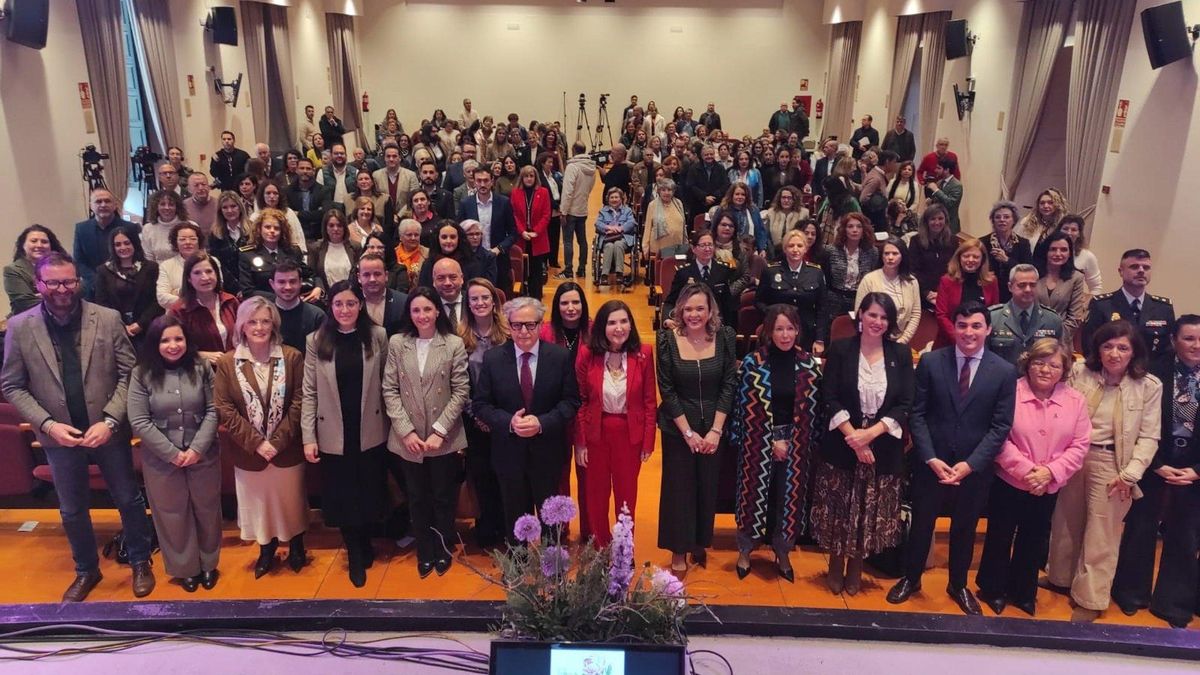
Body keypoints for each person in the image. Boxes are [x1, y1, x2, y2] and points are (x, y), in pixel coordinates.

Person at [1, 252, 154, 601]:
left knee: (128, 499)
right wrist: (47, 425)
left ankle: (141, 560)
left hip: (106, 430)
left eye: (69, 281)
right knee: (71, 509)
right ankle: (86, 570)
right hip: (59, 435)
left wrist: (112, 420)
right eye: (53, 282)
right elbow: (12, 385)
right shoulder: (20, 327)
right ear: (39, 285)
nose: (62, 289)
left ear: (78, 281)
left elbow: (130, 373)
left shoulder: (108, 318)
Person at [886, 300, 1017, 615]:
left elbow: (1001, 426)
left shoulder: (1004, 371)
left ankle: (958, 584)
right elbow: (917, 414)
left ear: (988, 329)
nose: (968, 332)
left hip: (974, 468)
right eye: (962, 325)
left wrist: (971, 464)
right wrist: (929, 457)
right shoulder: (931, 362)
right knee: (922, 523)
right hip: (932, 462)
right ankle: (911, 578)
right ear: (954, 328)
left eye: (975, 326)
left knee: (965, 528)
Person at [1046, 320, 1163, 623]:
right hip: (1074, 458)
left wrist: (1131, 474)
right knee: (1065, 523)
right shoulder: (1079, 373)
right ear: (1098, 348)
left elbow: (1149, 436)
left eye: (1122, 347)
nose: (1114, 353)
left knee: (1102, 534)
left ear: (1134, 351)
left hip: (1114, 465)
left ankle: (1091, 597)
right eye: (1107, 346)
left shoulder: (1148, 386)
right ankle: (1060, 578)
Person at [975, 338, 1089, 616]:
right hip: (1011, 480)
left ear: (1064, 370)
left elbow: (1080, 444)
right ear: (1028, 364)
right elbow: (998, 437)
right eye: (1039, 362)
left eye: (1054, 365)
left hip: (1049, 484)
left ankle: (1023, 592)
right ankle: (992, 588)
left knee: (1034, 538)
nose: (1045, 370)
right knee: (1000, 535)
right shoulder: (1009, 392)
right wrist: (1028, 473)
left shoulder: (1075, 400)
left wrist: (1050, 473)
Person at [812, 293, 914, 595]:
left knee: (867, 511)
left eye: (884, 317)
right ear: (860, 316)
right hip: (843, 442)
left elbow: (905, 402)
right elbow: (828, 397)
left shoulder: (901, 354)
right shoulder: (842, 349)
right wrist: (854, 437)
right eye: (872, 315)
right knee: (839, 507)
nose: (878, 322)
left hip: (881, 446)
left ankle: (856, 565)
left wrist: (869, 435)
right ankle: (835, 563)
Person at [1110, 316, 1200, 627]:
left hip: (1194, 471)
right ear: (1174, 339)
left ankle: (1174, 603)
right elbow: (1139, 424)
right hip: (1153, 464)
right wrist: (1158, 463)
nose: (1196, 345)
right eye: (1189, 338)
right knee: (1140, 529)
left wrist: (1196, 470)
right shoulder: (1151, 373)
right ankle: (1131, 594)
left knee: (1186, 536)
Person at [301, 281, 388, 587]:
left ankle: (365, 542)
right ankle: (353, 551)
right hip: (333, 431)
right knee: (343, 495)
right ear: (331, 307)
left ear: (360, 305)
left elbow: (387, 384)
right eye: (339, 304)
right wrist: (308, 436)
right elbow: (309, 391)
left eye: (351, 303)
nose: (345, 310)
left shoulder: (377, 336)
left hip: (370, 428)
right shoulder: (317, 339)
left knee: (367, 492)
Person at [213, 296, 308, 578]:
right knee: (259, 505)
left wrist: (276, 442)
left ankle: (297, 546)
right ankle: (266, 550)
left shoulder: (291, 357)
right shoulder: (229, 362)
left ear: (274, 324)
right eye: (252, 321)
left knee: (290, 502)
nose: (259, 327)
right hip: (248, 452)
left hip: (286, 449)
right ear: (241, 325)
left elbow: (300, 402)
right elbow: (224, 408)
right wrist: (257, 443)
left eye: (265, 321)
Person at [472, 297, 581, 539]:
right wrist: (509, 422)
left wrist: (542, 423)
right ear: (508, 326)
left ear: (541, 325)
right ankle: (518, 568)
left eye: (530, 325)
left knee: (550, 521)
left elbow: (571, 402)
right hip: (508, 455)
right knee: (515, 519)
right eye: (516, 325)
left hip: (548, 455)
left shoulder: (560, 357)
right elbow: (481, 405)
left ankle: (552, 567)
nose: (523, 331)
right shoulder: (493, 359)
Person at [128, 315, 222, 593]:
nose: (173, 345)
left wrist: (195, 449)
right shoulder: (141, 373)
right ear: (155, 344)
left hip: (202, 453)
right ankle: (185, 569)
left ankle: (208, 565)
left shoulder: (202, 366)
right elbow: (139, 420)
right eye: (165, 340)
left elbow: (214, 410)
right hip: (161, 459)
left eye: (178, 339)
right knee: (172, 513)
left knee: (206, 510)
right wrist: (171, 453)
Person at [383, 287, 470, 577]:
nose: (422, 315)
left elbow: (461, 392)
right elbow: (390, 390)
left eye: (427, 309)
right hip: (409, 440)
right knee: (417, 497)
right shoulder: (397, 343)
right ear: (410, 313)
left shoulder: (453, 343)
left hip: (442, 439)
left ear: (437, 311)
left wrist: (440, 431)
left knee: (443, 496)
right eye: (416, 310)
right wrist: (406, 432)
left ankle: (442, 547)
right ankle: (424, 549)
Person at [731, 304, 821, 583]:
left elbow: (814, 412)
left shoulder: (808, 365)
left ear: (798, 331)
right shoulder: (752, 363)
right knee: (751, 498)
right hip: (758, 442)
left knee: (789, 500)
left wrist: (790, 442)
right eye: (779, 328)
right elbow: (743, 408)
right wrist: (771, 441)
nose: (785, 335)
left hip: (796, 443)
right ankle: (745, 550)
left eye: (790, 328)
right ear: (769, 331)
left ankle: (783, 552)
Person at [656, 283, 738, 575]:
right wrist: (688, 433)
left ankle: (699, 543)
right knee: (679, 491)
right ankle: (679, 550)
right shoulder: (666, 339)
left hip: (714, 426)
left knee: (707, 488)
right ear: (679, 310)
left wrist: (715, 430)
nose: (694, 315)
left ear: (710, 310)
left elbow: (729, 384)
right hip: (678, 428)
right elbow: (667, 389)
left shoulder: (725, 337)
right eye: (688, 309)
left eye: (700, 308)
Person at [574, 300, 656, 548]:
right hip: (596, 433)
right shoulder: (588, 354)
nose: (619, 328)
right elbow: (580, 400)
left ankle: (623, 548)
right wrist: (580, 442)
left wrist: (648, 442)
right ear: (602, 327)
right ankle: (600, 546)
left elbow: (650, 401)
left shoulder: (644, 353)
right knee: (596, 496)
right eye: (612, 322)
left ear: (631, 324)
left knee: (626, 497)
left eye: (623, 321)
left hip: (629, 435)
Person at [460, 278, 511, 548]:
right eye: (474, 299)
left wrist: (498, 417)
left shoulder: (509, 335)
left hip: (504, 419)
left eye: (484, 298)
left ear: (494, 302)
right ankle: (486, 524)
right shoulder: (460, 338)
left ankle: (507, 527)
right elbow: (458, 383)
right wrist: (478, 415)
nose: (480, 303)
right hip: (474, 420)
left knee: (505, 474)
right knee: (481, 475)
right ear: (468, 305)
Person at [1081, 249, 1175, 360]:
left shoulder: (1163, 308)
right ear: (1120, 271)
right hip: (1111, 371)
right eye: (1134, 267)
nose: (1141, 271)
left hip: (1150, 373)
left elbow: (1167, 351)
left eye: (1146, 267)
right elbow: (1089, 346)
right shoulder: (1102, 305)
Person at [94, 226, 163, 351]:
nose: (123, 248)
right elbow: (101, 303)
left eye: (127, 243)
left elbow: (156, 301)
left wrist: (140, 324)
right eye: (118, 244)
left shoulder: (151, 268)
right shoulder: (103, 271)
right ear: (113, 247)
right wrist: (120, 326)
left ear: (135, 243)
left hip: (147, 328)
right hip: (115, 330)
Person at [756, 229, 826, 352]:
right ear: (785, 249)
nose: (795, 249)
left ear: (806, 249)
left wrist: (819, 339)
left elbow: (822, 308)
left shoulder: (816, 272)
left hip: (806, 333)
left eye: (799, 245)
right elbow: (759, 301)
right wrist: (773, 313)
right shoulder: (771, 271)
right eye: (791, 245)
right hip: (777, 332)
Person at [818, 213, 880, 345]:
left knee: (855, 336)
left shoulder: (872, 252)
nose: (855, 230)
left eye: (858, 226)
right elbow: (825, 279)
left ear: (864, 230)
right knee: (833, 336)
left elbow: (873, 277)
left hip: (859, 299)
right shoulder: (830, 251)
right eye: (850, 226)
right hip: (834, 299)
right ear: (844, 230)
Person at [168, 253, 238, 364]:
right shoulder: (179, 310)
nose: (205, 277)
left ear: (217, 274)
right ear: (189, 279)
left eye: (209, 271)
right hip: (198, 371)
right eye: (197, 273)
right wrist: (199, 355)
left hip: (233, 368)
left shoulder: (230, 301)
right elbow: (170, 347)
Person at [987, 264, 1064, 364]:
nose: (1028, 289)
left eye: (1032, 285)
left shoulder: (1052, 320)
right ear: (1010, 287)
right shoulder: (993, 317)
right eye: (1022, 285)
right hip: (1001, 378)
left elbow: (1061, 357)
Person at [662, 229, 737, 330]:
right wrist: (667, 319)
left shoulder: (723, 270)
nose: (707, 249)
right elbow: (670, 302)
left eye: (710, 245)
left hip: (715, 326)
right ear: (693, 248)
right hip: (690, 324)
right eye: (703, 245)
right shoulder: (683, 272)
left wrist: (729, 330)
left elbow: (727, 305)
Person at [458, 167, 515, 296]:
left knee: (500, 297)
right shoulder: (465, 203)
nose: (482, 184)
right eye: (479, 181)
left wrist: (498, 249)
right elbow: (460, 232)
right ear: (474, 182)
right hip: (472, 260)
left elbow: (513, 233)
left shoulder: (504, 202)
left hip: (499, 258)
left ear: (492, 181)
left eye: (486, 180)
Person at [238, 208, 318, 300]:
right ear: (259, 229)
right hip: (265, 305)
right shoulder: (248, 255)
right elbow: (247, 291)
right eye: (267, 227)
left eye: (276, 228)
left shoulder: (292, 251)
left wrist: (319, 287)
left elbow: (311, 275)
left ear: (282, 231)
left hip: (293, 303)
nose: (272, 231)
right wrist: (280, 298)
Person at [854, 237, 922, 345]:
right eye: (886, 253)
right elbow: (860, 313)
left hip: (900, 341)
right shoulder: (869, 279)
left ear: (902, 256)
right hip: (872, 340)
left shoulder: (912, 282)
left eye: (895, 254)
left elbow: (915, 314)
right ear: (881, 256)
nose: (890, 257)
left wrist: (902, 341)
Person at [934, 238, 1000, 348]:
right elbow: (941, 315)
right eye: (966, 256)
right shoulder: (947, 281)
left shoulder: (991, 281)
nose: (970, 260)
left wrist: (978, 339)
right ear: (959, 258)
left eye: (976, 257)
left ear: (982, 259)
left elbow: (994, 313)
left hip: (981, 343)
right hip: (950, 342)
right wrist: (959, 338)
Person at [74, 188, 137, 297]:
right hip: (93, 288)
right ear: (91, 206)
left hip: (124, 286)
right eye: (98, 201)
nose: (103, 205)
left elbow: (136, 256)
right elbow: (79, 261)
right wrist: (97, 281)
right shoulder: (81, 229)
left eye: (107, 201)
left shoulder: (130, 228)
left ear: (115, 205)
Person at [1036, 231, 1091, 350]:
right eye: (1053, 249)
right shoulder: (1033, 273)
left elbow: (1074, 318)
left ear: (1070, 253)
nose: (1058, 254)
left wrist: (1052, 336)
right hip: (1031, 339)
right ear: (1046, 251)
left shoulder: (1076, 277)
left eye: (1064, 250)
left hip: (1061, 342)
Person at [6, 225, 68, 317]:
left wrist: (43, 295)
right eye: (33, 241)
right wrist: (61, 296)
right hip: (29, 321)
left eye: (44, 242)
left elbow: (82, 288)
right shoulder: (13, 270)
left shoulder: (64, 264)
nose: (39, 245)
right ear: (23, 245)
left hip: (63, 318)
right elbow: (25, 303)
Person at [267, 259, 325, 353]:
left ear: (300, 282)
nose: (288, 287)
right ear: (272, 284)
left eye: (292, 281)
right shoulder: (265, 316)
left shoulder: (317, 316)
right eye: (281, 282)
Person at [512, 166, 551, 300]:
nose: (529, 179)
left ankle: (536, 298)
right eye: (526, 176)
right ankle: (522, 297)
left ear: (535, 178)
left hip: (537, 237)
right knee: (521, 270)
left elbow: (546, 215)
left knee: (536, 271)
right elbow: (514, 215)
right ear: (521, 178)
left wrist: (536, 231)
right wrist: (522, 231)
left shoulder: (544, 192)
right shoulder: (515, 192)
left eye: (531, 176)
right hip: (521, 237)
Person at [908, 204, 957, 309]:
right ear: (926, 222)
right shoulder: (916, 241)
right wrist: (926, 292)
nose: (937, 222)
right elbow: (912, 270)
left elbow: (955, 269)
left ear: (946, 220)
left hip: (947, 293)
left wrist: (942, 291)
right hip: (922, 294)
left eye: (940, 218)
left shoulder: (953, 241)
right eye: (933, 219)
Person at [984, 200, 1032, 304]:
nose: (1002, 220)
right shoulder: (983, 242)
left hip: (1014, 293)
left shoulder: (1023, 244)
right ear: (993, 221)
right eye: (998, 217)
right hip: (988, 292)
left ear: (1014, 220)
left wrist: (1007, 260)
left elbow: (1027, 270)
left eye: (1006, 217)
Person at [155, 222, 208, 310]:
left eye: (193, 239)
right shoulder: (166, 265)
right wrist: (195, 299)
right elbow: (162, 298)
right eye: (182, 239)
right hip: (177, 316)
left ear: (199, 241)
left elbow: (215, 292)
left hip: (207, 312)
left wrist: (178, 292)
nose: (188, 242)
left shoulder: (212, 262)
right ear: (176, 242)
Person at [595, 187, 637, 291]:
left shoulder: (627, 211)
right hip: (607, 238)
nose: (614, 199)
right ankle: (604, 275)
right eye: (612, 197)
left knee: (618, 244)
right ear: (608, 199)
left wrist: (620, 228)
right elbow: (598, 224)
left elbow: (632, 223)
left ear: (621, 198)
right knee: (609, 246)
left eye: (616, 197)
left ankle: (619, 274)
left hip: (623, 238)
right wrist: (608, 227)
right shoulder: (603, 211)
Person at [357, 253, 408, 336]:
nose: (372, 279)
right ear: (359, 278)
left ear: (386, 275)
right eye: (366, 275)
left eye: (377, 274)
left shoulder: (403, 302)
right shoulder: (352, 303)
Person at [307, 209, 359, 289]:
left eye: (339, 225)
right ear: (325, 228)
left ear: (344, 227)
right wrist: (319, 287)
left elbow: (358, 273)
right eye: (331, 225)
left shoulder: (356, 247)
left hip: (351, 294)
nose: (335, 229)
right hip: (325, 296)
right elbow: (312, 274)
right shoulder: (315, 248)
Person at [141, 190, 195, 264]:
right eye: (162, 204)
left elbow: (197, 254)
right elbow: (148, 257)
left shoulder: (191, 226)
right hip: (157, 272)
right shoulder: (148, 229)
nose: (167, 208)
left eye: (171, 204)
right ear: (156, 207)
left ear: (177, 207)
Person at [252, 179, 307, 250]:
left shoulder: (288, 213)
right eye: (268, 193)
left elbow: (299, 238)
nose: (272, 196)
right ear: (262, 195)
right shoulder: (255, 216)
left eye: (275, 193)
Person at [642, 178, 688, 260]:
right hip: (658, 250)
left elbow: (683, 226)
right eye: (663, 190)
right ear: (659, 191)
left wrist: (686, 243)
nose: (666, 193)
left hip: (677, 248)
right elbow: (647, 227)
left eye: (669, 190)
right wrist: (645, 246)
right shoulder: (652, 205)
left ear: (673, 191)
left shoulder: (679, 203)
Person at [1056, 215, 1103, 295]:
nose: (1069, 233)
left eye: (1073, 230)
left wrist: (1087, 303)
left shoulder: (1087, 256)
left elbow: (1096, 287)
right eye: (1065, 229)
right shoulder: (1048, 251)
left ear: (1079, 234)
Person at [760, 186, 809, 261]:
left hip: (795, 251)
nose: (786, 200)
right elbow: (766, 234)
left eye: (789, 198)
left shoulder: (803, 213)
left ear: (794, 199)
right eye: (783, 197)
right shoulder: (771, 213)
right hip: (774, 252)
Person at [686, 146, 731, 221]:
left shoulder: (720, 168)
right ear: (702, 156)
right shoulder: (693, 168)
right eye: (706, 155)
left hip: (716, 204)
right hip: (698, 205)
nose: (709, 156)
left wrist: (714, 196)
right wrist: (704, 197)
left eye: (711, 154)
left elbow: (725, 185)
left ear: (714, 155)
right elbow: (691, 186)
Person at [1017, 188, 1068, 253]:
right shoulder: (1027, 223)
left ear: (1057, 205)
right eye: (1042, 203)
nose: (1045, 206)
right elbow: (1017, 246)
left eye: (1050, 203)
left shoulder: (1064, 226)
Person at [924, 156, 963, 234]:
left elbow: (950, 203)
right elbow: (938, 201)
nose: (936, 170)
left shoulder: (957, 185)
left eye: (939, 168)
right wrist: (931, 201)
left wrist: (936, 190)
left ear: (947, 170)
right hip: (936, 225)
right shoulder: (940, 182)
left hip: (949, 225)